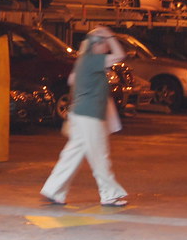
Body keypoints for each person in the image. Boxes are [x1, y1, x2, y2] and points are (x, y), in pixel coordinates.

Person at [40, 25, 128, 207]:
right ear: (96, 45)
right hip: (89, 116)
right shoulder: (92, 60)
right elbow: (120, 55)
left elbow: (72, 80)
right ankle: (109, 194)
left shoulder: (83, 61)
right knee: (99, 155)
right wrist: (111, 36)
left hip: (81, 114)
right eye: (104, 44)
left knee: (72, 154)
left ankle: (54, 189)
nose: (107, 48)